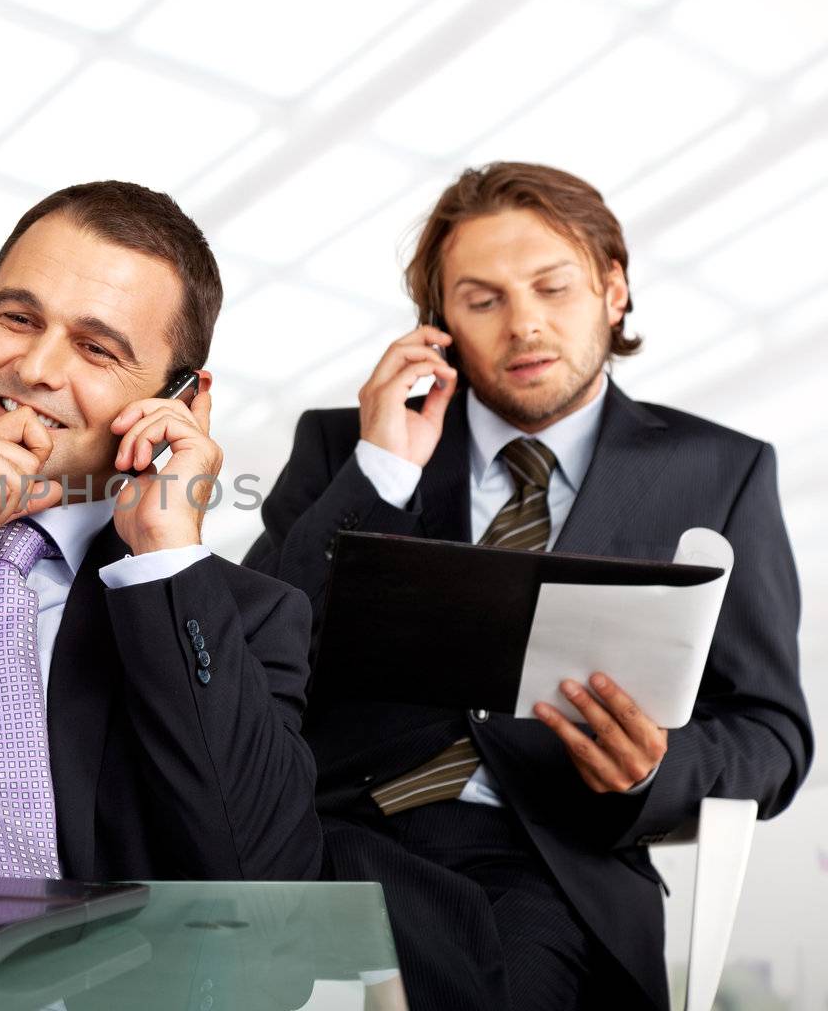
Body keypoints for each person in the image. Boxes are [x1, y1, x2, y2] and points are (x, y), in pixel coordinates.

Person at [244, 163, 811, 1010]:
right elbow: (255, 658)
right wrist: (380, 473)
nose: (525, 325)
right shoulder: (346, 448)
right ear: (439, 327)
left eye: (553, 287)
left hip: (545, 850)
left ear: (614, 289)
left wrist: (651, 770)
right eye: (483, 301)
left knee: (507, 966)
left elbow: (772, 734)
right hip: (332, 829)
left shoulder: (719, 473)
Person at [0, 180, 322, 883]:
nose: (36, 369)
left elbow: (267, 881)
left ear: (181, 402)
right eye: (17, 318)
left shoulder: (245, 619)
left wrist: (166, 558)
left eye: (96, 349)